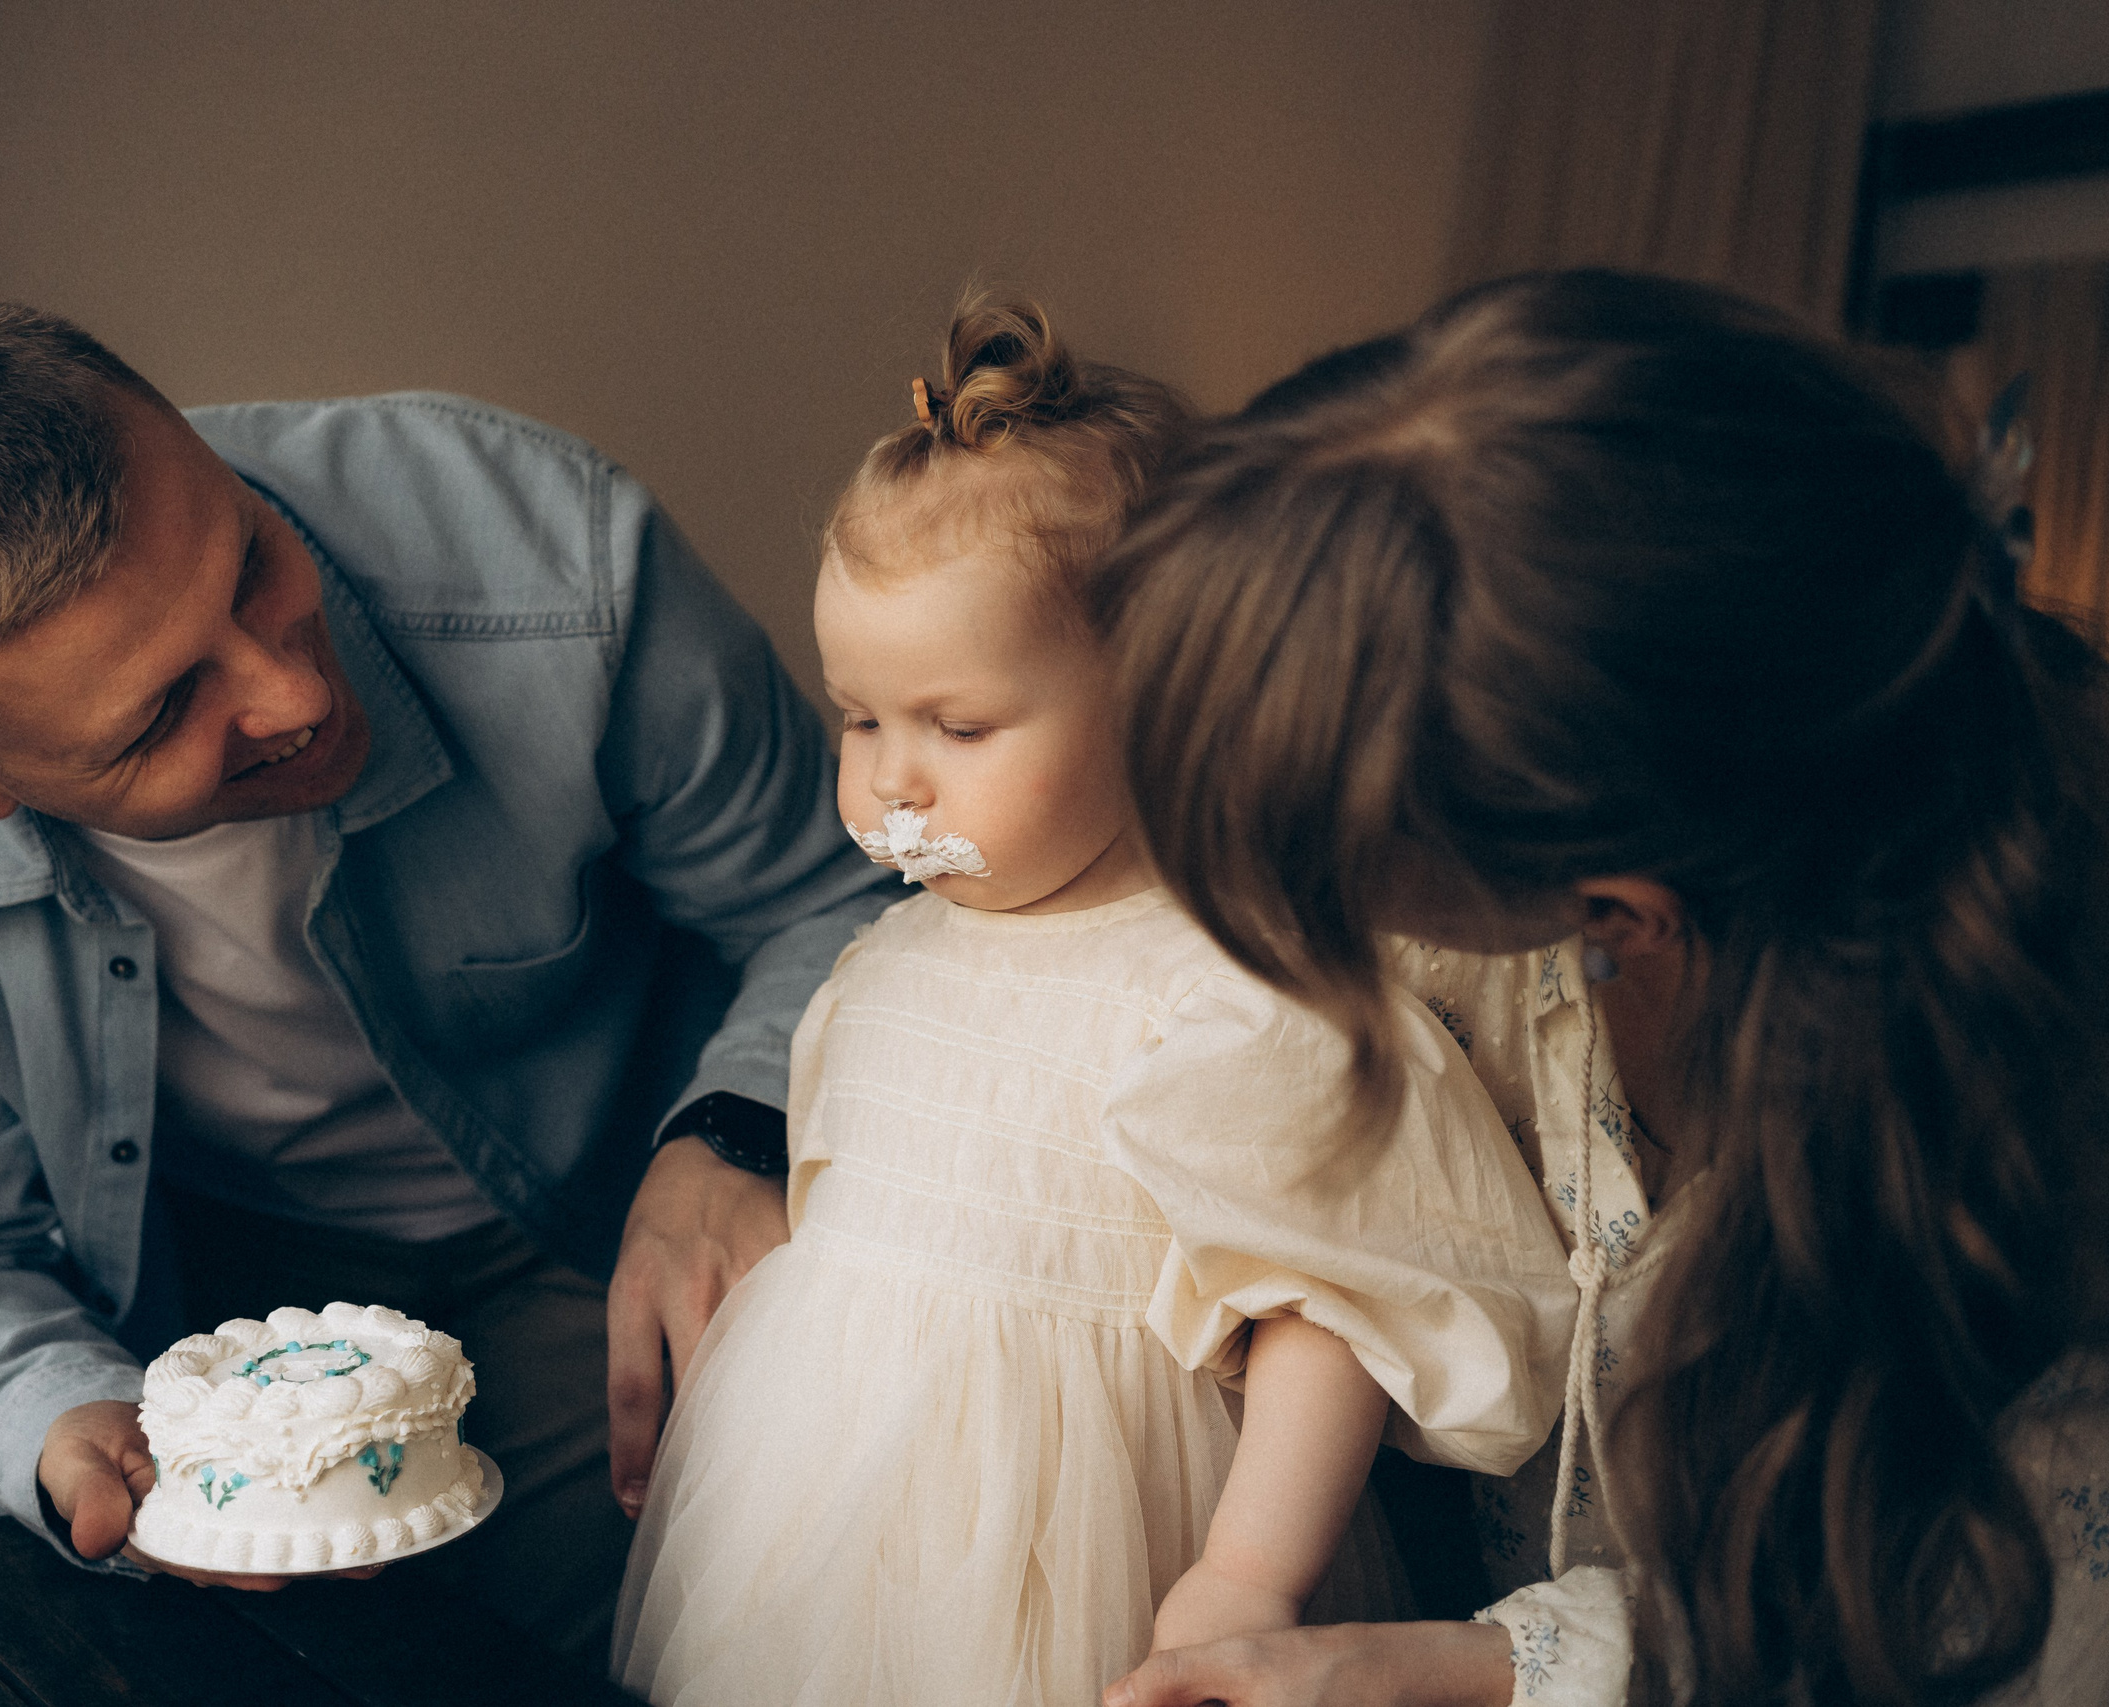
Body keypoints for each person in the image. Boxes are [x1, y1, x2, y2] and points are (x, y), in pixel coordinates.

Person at [0, 297, 900, 1655]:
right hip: (200, 1313)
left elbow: (843, 899)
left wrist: (738, 1124)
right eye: (164, 712)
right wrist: (59, 1421)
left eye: (252, 566)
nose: (293, 696)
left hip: (616, 1217)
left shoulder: (558, 557)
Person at [1099, 270, 2109, 1706]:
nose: (1313, 931)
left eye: (1333, 879)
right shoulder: (1535, 910)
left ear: (1617, 913)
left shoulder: (2017, 1127)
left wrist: (1482, 1670)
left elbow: (1948, 1615)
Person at [610, 297, 1577, 1705]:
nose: (892, 783)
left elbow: (1334, 1308)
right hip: (830, 1545)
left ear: (1159, 698)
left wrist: (1250, 1572)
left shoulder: (1235, 989)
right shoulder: (877, 966)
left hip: (1093, 1558)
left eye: (958, 726)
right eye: (857, 717)